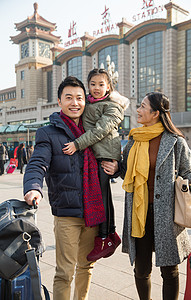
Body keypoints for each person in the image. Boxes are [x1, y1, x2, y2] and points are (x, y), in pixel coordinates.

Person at [101, 92, 191, 300]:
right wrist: (117, 167)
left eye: (143, 107)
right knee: (141, 268)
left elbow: (187, 171)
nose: (138, 110)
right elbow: (127, 168)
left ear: (155, 113)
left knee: (169, 270)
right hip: (140, 211)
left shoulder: (175, 141)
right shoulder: (135, 139)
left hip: (167, 213)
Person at [23, 76, 106, 300]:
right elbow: (37, 163)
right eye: (68, 98)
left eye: (79, 98)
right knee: (64, 272)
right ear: (59, 102)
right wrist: (33, 187)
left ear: (85, 101)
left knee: (86, 267)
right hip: (67, 214)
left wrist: (116, 165)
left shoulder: (94, 132)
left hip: (94, 212)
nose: (75, 103)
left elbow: (108, 161)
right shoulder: (48, 133)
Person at [62, 68, 129, 261]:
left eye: (101, 84)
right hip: (95, 155)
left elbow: (100, 131)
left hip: (105, 156)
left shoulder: (113, 107)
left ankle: (104, 237)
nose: (97, 88)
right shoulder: (89, 103)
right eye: (93, 84)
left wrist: (77, 144)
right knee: (103, 195)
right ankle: (110, 235)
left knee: (102, 196)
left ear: (109, 86)